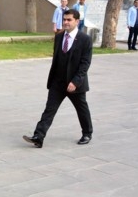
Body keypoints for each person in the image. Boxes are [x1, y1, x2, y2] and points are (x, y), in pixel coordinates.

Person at [23, 9, 93, 148]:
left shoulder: (85, 39)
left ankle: (87, 133)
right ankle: (39, 136)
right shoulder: (59, 37)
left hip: (75, 83)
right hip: (58, 82)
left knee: (81, 109)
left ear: (77, 22)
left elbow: (85, 63)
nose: (66, 22)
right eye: (64, 20)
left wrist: (76, 81)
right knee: (49, 109)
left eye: (69, 20)